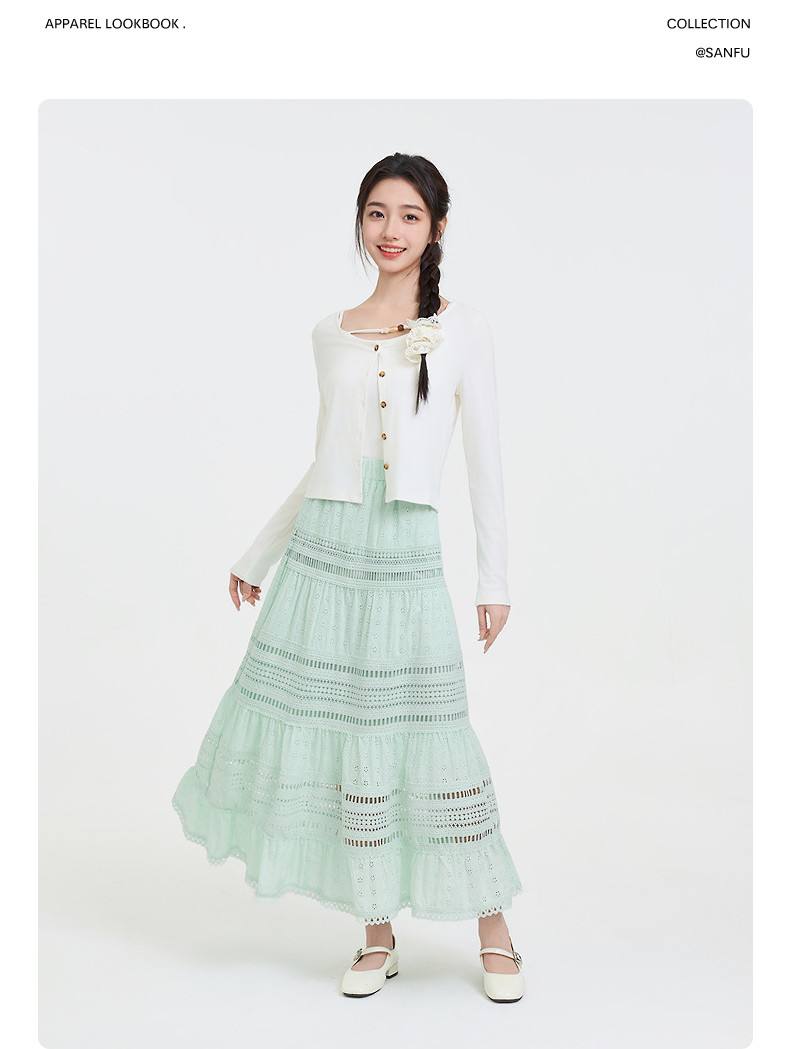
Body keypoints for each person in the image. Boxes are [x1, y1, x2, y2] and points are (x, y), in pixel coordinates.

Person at [172, 152, 525, 1003]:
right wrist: (257, 554)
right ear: (360, 221)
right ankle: (375, 933)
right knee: (348, 735)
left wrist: (494, 578)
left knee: (433, 730)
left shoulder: (464, 327)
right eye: (376, 212)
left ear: (437, 226)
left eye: (409, 214)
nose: (390, 230)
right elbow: (324, 460)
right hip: (328, 551)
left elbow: (486, 459)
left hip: (406, 547)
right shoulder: (329, 331)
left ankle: (494, 927)